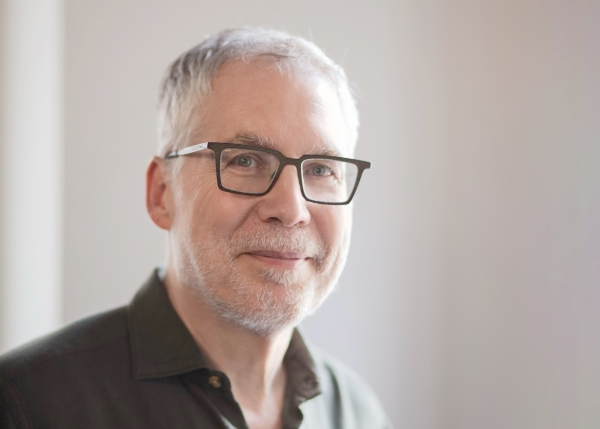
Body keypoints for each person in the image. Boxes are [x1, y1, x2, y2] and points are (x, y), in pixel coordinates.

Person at [0, 27, 391, 429]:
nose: (291, 209)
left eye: (321, 169)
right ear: (162, 193)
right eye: (245, 160)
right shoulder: (28, 404)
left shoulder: (360, 414)